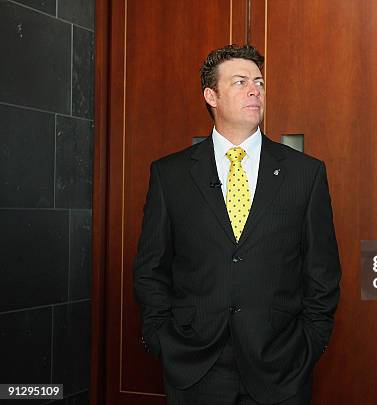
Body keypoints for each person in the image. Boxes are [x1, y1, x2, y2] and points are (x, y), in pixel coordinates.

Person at [133, 44, 341, 405]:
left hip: (281, 366)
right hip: (194, 367)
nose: (254, 90)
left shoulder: (305, 174)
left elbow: (322, 272)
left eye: (258, 82)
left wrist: (311, 343)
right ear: (210, 96)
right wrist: (160, 336)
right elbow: (151, 267)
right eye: (241, 81)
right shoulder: (170, 174)